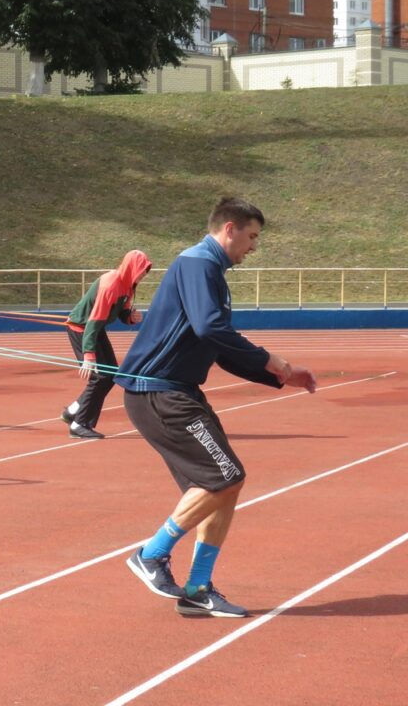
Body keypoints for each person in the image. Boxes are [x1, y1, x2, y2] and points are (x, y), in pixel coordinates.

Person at [115, 197, 316, 618]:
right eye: (252, 236)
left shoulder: (210, 273)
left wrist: (279, 374)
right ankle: (150, 555)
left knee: (225, 487)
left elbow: (217, 347)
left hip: (177, 391)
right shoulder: (197, 264)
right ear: (230, 228)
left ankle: (198, 587)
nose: (254, 246)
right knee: (225, 476)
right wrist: (268, 358)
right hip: (159, 393)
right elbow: (211, 328)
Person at [61, 249, 152, 440]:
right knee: (100, 376)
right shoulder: (111, 284)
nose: (144, 274)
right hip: (83, 329)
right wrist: (88, 354)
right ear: (131, 268)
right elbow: (94, 320)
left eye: (145, 270)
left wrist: (130, 317)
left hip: (96, 328)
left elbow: (121, 313)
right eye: (142, 270)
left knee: (111, 375)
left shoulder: (128, 285)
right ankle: (79, 424)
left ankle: (73, 411)